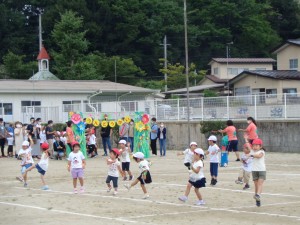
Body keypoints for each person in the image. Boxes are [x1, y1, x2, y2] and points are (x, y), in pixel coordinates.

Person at [245, 137, 266, 207]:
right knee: (256, 184)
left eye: (256, 145)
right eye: (253, 145)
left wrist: (251, 155)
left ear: (260, 146)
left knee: (260, 183)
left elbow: (258, 156)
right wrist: (245, 139)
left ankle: (258, 195)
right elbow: (248, 145)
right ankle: (257, 199)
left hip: (262, 170)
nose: (254, 147)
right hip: (254, 170)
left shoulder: (262, 152)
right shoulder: (252, 151)